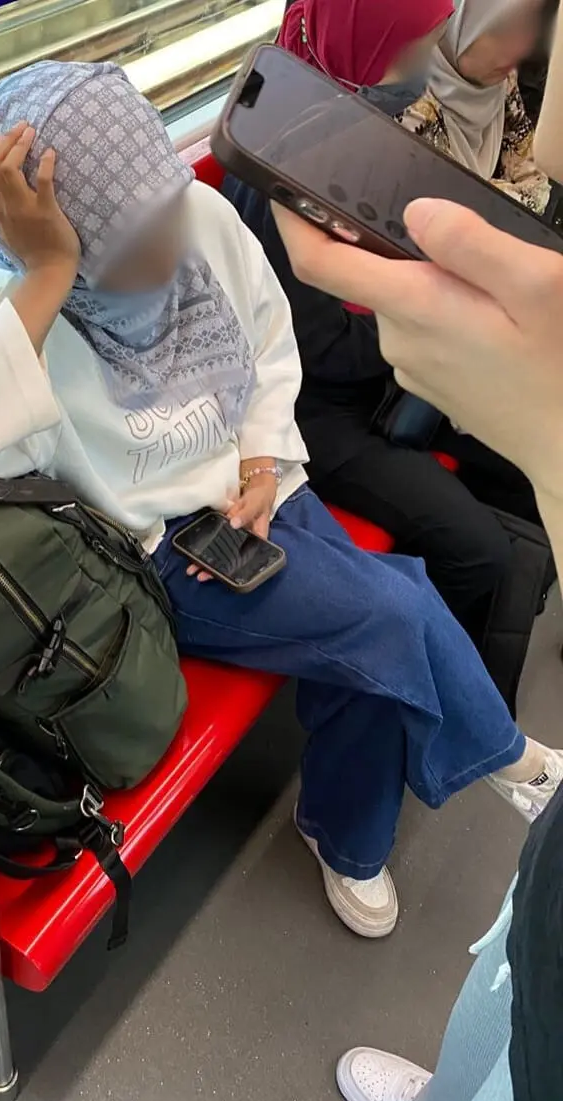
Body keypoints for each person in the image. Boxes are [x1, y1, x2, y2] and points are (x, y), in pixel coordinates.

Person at [0, 58, 563, 943]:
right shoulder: (23, 314)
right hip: (161, 552)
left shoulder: (198, 217)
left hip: (261, 482)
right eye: (128, 241)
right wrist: (46, 276)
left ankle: (347, 835)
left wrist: (264, 463)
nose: (168, 248)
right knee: (394, 604)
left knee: (369, 649)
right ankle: (509, 761)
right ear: (63, 242)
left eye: (166, 214)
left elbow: (266, 344)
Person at [270, 23, 563, 1101]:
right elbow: (280, 366)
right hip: (321, 422)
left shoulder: (405, 136)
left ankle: (473, 730)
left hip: (373, 390)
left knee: (518, 552)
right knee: (439, 575)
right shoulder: (309, 159)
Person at [223, 0, 548, 713]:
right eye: (418, 45)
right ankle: (460, 719)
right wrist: (431, 316)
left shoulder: (355, 119)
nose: (426, 65)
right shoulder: (280, 161)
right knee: (484, 555)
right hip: (312, 411)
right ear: (370, 47)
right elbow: (317, 349)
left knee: (529, 492)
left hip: (384, 372)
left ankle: (472, 706)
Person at [402, 0, 550, 214]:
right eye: (499, 30)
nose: (518, 49)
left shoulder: (502, 82)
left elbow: (537, 184)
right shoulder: (407, 105)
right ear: (458, 23)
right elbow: (453, 206)